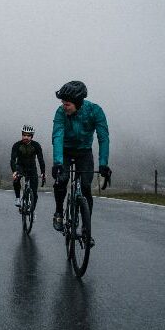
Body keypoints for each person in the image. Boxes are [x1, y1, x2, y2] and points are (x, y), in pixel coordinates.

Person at [51, 80, 111, 235]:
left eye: (67, 104)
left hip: (84, 152)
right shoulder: (60, 112)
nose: (64, 107)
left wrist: (103, 164)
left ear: (78, 103)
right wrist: (57, 162)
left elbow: (103, 138)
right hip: (65, 151)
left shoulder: (95, 111)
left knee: (85, 187)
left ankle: (86, 227)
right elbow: (57, 135)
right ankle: (58, 212)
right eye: (63, 103)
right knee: (62, 180)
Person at [10, 125, 46, 210]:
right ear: (22, 135)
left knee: (34, 192)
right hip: (20, 167)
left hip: (32, 168)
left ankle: (32, 211)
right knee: (16, 178)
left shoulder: (36, 145)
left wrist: (43, 172)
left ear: (32, 136)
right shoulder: (17, 145)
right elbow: (12, 159)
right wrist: (14, 171)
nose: (26, 137)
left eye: (28, 135)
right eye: (24, 135)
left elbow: (41, 159)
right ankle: (18, 198)